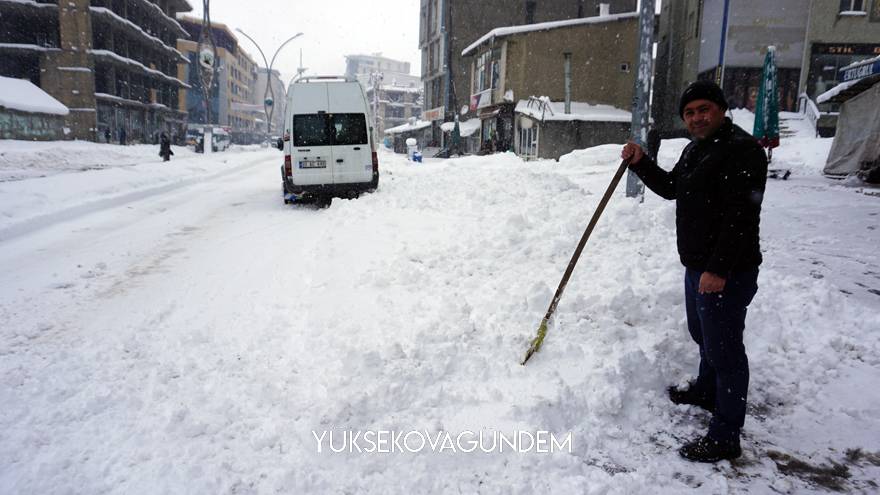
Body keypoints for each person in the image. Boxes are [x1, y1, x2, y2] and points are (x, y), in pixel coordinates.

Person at [621, 80, 768, 463]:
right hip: (698, 266)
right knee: (703, 333)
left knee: (726, 352)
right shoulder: (696, 150)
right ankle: (706, 390)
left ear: (720, 110)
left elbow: (741, 215)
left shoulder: (741, 151)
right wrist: (641, 163)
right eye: (689, 113)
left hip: (726, 271)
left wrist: (718, 269)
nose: (697, 117)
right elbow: (672, 188)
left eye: (704, 109)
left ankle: (725, 436)